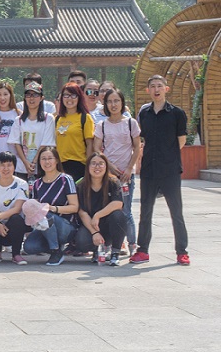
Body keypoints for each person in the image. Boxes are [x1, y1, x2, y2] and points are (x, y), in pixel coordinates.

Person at [131, 75, 190, 265]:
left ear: (166, 89)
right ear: (148, 90)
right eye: (153, 86)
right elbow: (142, 138)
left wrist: (167, 156)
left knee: (176, 212)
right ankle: (142, 251)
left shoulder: (177, 113)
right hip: (149, 169)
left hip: (170, 170)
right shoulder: (144, 113)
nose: (156, 89)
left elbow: (181, 140)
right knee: (145, 211)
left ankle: (182, 251)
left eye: (159, 86)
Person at [93, 88, 141, 254]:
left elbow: (137, 147)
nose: (113, 105)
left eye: (116, 101)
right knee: (107, 210)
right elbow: (97, 148)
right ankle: (109, 245)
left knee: (126, 211)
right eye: (109, 101)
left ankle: (132, 244)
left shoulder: (130, 123)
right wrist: (110, 166)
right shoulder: (102, 125)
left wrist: (129, 168)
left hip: (126, 175)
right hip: (108, 175)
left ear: (122, 102)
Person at [23, 147, 79, 265]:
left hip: (66, 226)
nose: (47, 162)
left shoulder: (65, 179)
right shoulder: (37, 183)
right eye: (43, 159)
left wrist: (52, 208)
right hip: (45, 226)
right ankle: (55, 245)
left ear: (57, 160)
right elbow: (34, 208)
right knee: (29, 247)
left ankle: (55, 251)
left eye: (50, 158)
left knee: (45, 213)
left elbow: (75, 207)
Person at [73, 153, 128, 265]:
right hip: (91, 225)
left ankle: (115, 252)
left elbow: (118, 203)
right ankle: (97, 250)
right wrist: (95, 233)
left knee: (118, 216)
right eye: (93, 163)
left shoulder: (113, 182)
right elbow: (82, 212)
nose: (97, 167)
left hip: (109, 224)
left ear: (106, 166)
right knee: (81, 241)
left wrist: (98, 215)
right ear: (88, 166)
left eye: (101, 164)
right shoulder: (81, 185)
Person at [0, 151, 30, 264]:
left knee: (17, 219)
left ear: (14, 167)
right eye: (2, 165)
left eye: (9, 165)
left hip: (13, 226)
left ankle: (16, 254)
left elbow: (17, 209)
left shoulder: (22, 184)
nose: (6, 168)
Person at [8, 82, 56, 180]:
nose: (31, 98)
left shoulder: (48, 118)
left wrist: (34, 162)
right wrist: (26, 163)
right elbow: (16, 143)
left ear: (41, 98)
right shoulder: (19, 120)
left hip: (42, 167)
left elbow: (46, 143)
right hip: (22, 168)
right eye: (28, 95)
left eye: (35, 95)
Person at [54, 83, 95, 182]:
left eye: (73, 95)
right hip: (60, 165)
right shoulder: (58, 119)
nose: (69, 99)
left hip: (79, 164)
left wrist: (88, 166)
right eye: (66, 95)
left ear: (79, 97)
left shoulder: (85, 117)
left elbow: (90, 144)